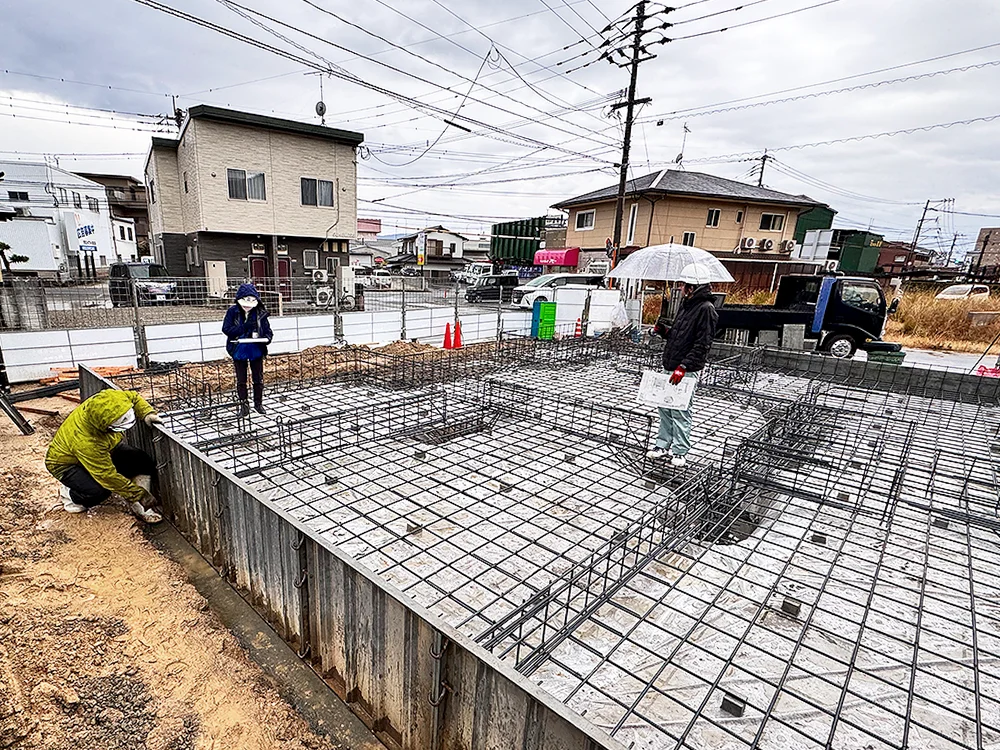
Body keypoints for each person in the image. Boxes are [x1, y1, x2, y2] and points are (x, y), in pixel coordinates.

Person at [45, 389, 164, 523]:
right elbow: (106, 475)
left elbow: (133, 397)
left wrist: (147, 413)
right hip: (65, 465)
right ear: (106, 427)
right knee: (100, 491)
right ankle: (70, 495)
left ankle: (139, 508)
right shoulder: (88, 442)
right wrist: (139, 495)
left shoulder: (110, 400)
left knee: (141, 460)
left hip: (104, 448)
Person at [649, 266, 719, 467]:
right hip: (670, 364)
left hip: (684, 370)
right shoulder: (686, 305)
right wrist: (664, 331)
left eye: (682, 285)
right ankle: (663, 445)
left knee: (680, 409)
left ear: (692, 287)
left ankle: (680, 451)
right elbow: (679, 337)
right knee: (665, 407)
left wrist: (684, 367)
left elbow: (702, 344)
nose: (679, 288)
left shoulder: (706, 309)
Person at [222, 283, 273, 416]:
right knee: (241, 380)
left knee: (258, 378)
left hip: (255, 349)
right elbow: (226, 330)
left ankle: (258, 404)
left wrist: (267, 338)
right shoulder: (233, 312)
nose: (247, 305)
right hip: (239, 349)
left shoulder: (259, 313)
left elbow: (268, 331)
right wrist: (244, 327)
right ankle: (244, 406)